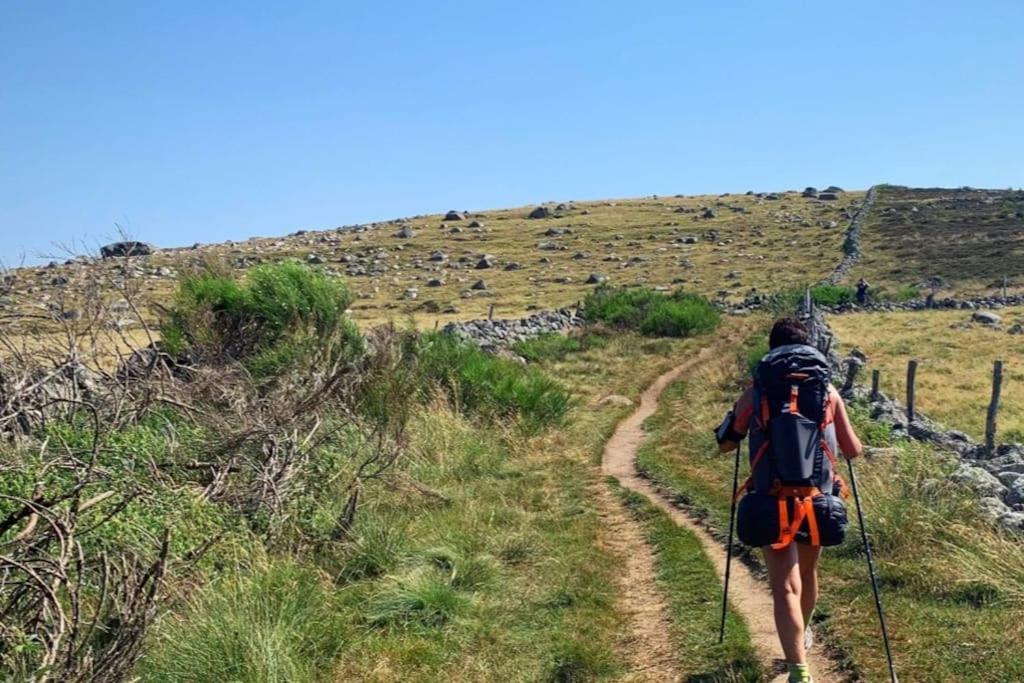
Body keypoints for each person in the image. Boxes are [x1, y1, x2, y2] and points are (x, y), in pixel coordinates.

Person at [716, 318, 863, 683]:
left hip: (770, 499)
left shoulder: (757, 392)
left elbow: (726, 443)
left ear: (771, 351)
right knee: (809, 573)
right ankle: (805, 629)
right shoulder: (828, 392)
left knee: (784, 585)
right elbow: (853, 450)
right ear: (810, 347)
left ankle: (799, 671)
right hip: (817, 501)